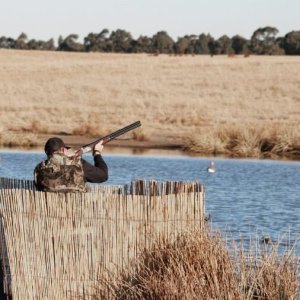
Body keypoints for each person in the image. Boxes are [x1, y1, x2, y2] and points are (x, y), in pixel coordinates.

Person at [34, 137, 108, 192]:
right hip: (76, 207)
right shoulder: (78, 164)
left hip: (49, 207)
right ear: (63, 150)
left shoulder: (39, 168)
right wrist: (97, 153)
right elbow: (103, 176)